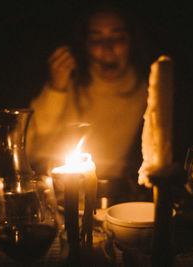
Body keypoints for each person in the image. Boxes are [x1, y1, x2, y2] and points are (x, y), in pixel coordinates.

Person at [26, 4, 153, 201]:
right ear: (84, 45)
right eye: (96, 38)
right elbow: (26, 149)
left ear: (132, 42)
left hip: (110, 199)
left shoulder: (147, 90)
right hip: (52, 197)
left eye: (118, 37)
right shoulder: (67, 81)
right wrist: (55, 89)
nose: (107, 48)